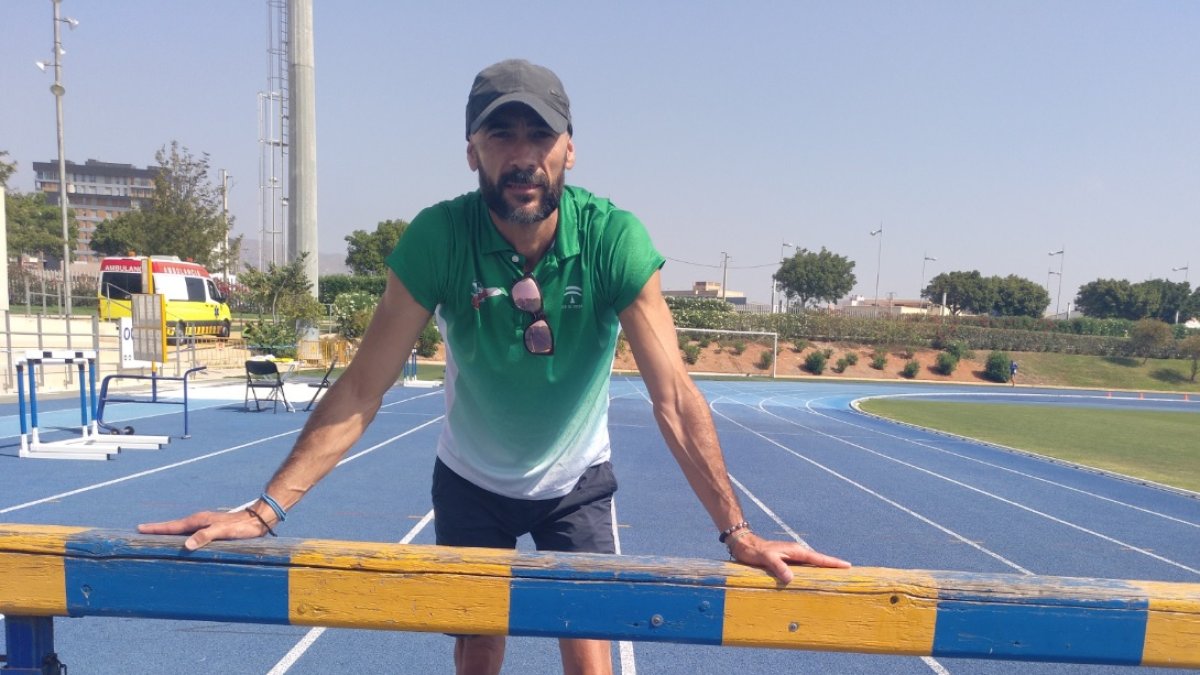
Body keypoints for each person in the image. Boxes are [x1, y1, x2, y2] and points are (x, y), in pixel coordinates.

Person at [139, 59, 850, 675]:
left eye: (539, 135)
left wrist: (736, 530)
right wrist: (265, 511)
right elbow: (362, 385)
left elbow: (673, 395)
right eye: (501, 134)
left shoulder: (612, 241)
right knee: (477, 646)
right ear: (471, 150)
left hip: (576, 482)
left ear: (570, 149)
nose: (522, 154)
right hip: (472, 479)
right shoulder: (439, 238)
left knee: (588, 645)